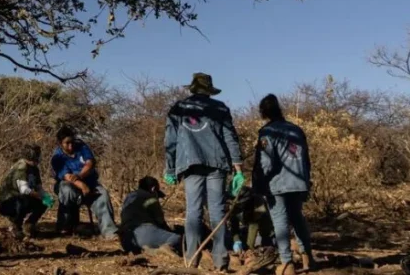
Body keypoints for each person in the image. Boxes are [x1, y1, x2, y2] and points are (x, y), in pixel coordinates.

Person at [164, 73, 244, 272]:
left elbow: (170, 140)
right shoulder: (219, 108)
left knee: (193, 212)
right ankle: (220, 261)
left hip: (190, 164)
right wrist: (238, 168)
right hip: (218, 163)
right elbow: (230, 137)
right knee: (217, 211)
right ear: (209, 90)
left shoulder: (179, 108)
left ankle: (191, 259)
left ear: (192, 88)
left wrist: (170, 168)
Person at [253, 94, 315, 275]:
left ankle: (287, 263)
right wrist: (306, 180)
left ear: (263, 112)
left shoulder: (267, 132)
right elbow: (306, 160)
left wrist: (259, 184)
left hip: (277, 184)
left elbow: (266, 164)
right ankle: (307, 257)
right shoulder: (296, 130)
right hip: (298, 183)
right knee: (297, 219)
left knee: (280, 222)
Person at [51, 126, 119, 238]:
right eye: (67, 143)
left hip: (90, 182)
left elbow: (90, 163)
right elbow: (67, 177)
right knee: (67, 190)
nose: (71, 146)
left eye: (72, 142)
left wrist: (80, 176)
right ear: (60, 143)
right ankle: (66, 226)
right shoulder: (57, 157)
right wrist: (82, 185)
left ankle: (109, 231)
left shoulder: (82, 146)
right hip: (69, 185)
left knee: (103, 195)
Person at [0, 144, 52, 239]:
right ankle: (15, 226)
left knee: (43, 202)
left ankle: (29, 225)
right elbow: (24, 189)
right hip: (7, 202)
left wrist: (46, 198)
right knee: (22, 201)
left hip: (21, 198)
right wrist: (40, 196)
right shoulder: (21, 166)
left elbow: (39, 187)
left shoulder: (34, 169)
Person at [119, 176, 182, 255]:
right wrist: (169, 231)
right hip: (144, 234)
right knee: (176, 238)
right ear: (153, 188)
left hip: (125, 239)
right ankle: (157, 251)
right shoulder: (151, 198)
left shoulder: (129, 196)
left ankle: (145, 250)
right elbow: (161, 222)